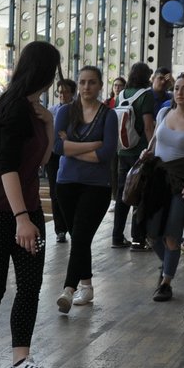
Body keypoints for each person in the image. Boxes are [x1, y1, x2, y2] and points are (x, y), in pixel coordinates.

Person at [0, 41, 62, 368]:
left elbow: (41, 161)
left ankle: (20, 361)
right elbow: (8, 168)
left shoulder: (34, 111)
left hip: (27, 211)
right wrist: (21, 217)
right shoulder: (15, 109)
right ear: (46, 72)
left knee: (30, 285)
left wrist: (50, 126)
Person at [52, 66, 115, 313]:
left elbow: (106, 153)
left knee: (80, 236)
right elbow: (57, 147)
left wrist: (73, 146)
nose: (86, 87)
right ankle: (87, 285)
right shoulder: (66, 111)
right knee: (80, 237)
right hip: (66, 183)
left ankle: (69, 289)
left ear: (100, 85)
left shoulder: (108, 115)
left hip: (97, 186)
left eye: (91, 83)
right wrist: (92, 146)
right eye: (82, 82)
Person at [145, 72, 184, 302]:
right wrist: (147, 152)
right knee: (151, 233)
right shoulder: (164, 112)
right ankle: (168, 264)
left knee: (172, 235)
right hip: (156, 180)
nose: (179, 92)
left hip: (181, 182)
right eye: (176, 88)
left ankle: (166, 282)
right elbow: (155, 140)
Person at [111, 62, 155, 247]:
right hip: (141, 153)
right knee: (140, 194)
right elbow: (147, 126)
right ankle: (138, 238)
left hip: (123, 150)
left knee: (123, 193)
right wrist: (153, 149)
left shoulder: (121, 95)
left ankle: (117, 237)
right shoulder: (146, 95)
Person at [46, 78, 76, 244]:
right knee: (55, 192)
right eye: (60, 92)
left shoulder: (77, 110)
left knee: (69, 191)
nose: (62, 95)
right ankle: (60, 229)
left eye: (66, 92)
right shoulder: (51, 111)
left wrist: (69, 137)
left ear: (72, 93)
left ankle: (71, 225)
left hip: (71, 154)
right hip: (53, 155)